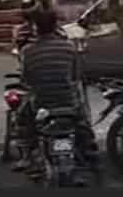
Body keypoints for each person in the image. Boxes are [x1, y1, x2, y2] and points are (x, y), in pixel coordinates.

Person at [21, 9, 97, 179]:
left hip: (42, 104)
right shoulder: (68, 48)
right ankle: (89, 158)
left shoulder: (28, 51)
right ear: (56, 26)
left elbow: (26, 80)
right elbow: (75, 77)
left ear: (35, 28)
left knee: (24, 122)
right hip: (69, 103)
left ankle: (29, 158)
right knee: (83, 127)